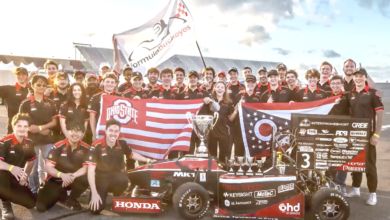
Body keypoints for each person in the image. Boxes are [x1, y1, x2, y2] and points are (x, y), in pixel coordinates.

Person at [87, 119, 154, 214]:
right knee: (95, 210)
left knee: (123, 180)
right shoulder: (96, 146)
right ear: (105, 131)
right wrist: (94, 193)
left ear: (119, 132)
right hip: (101, 179)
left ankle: (116, 194)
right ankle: (102, 193)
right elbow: (90, 171)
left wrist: (148, 160)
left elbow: (131, 154)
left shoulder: (122, 143)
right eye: (111, 130)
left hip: (116, 176)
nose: (113, 134)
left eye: (116, 131)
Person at [345, 68, 384, 206]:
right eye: (356, 76)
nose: (358, 79)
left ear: (365, 78)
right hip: (354, 134)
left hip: (368, 135)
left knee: (369, 165)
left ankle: (373, 193)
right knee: (355, 162)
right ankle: (355, 189)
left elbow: (380, 114)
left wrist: (376, 134)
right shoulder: (351, 93)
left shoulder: (373, 93)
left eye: (361, 76)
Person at [36, 120, 89, 212]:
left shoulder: (86, 148)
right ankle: (61, 194)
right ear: (67, 131)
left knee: (89, 175)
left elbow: (85, 168)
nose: (75, 134)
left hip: (74, 178)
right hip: (57, 179)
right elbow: (48, 167)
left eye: (79, 131)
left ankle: (71, 198)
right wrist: (63, 175)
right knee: (41, 207)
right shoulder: (58, 146)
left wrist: (72, 176)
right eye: (73, 130)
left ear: (83, 134)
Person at [19, 75, 57, 196]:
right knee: (33, 167)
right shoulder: (25, 103)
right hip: (31, 140)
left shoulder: (50, 102)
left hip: (47, 139)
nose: (41, 87)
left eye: (44, 85)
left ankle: (49, 188)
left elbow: (54, 122)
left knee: (50, 165)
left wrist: (41, 128)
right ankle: (33, 189)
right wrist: (41, 130)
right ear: (32, 85)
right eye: (38, 84)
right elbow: (22, 122)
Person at [0, 114, 36, 220]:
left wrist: (25, 177)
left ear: (28, 128)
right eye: (19, 126)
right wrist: (12, 168)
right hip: (3, 177)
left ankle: (8, 195)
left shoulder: (29, 143)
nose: (22, 129)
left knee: (31, 203)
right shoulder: (4, 142)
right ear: (13, 126)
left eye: (25, 126)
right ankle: (5, 205)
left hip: (16, 177)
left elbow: (30, 162)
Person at [178, 71, 219, 155]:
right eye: (190, 77)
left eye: (195, 77)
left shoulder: (205, 93)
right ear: (187, 79)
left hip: (202, 129)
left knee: (202, 155)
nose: (192, 79)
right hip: (187, 130)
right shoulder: (181, 95)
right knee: (187, 156)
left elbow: (216, 109)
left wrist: (211, 101)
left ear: (198, 79)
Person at [88, 73, 122, 142]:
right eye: (107, 81)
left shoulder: (121, 96)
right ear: (103, 82)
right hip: (101, 130)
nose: (110, 84)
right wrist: (94, 134)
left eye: (112, 82)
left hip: (116, 132)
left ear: (116, 84)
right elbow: (92, 117)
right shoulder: (95, 97)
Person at [233, 75, 261, 156]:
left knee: (253, 155)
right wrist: (238, 105)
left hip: (253, 130)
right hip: (240, 129)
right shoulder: (238, 96)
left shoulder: (259, 98)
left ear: (256, 84)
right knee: (239, 154)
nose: (250, 84)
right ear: (245, 83)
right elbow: (233, 112)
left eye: (252, 82)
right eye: (248, 82)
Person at [209, 81, 236, 161]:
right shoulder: (210, 101)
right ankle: (213, 173)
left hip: (224, 133)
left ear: (225, 90)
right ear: (214, 89)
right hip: (211, 133)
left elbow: (231, 119)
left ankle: (224, 171)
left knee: (224, 157)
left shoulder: (228, 103)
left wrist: (236, 111)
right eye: (218, 87)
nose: (220, 89)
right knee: (212, 157)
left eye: (222, 87)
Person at [0, 67, 30, 134]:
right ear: (15, 76)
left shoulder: (32, 89)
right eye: (19, 74)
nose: (21, 76)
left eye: (23, 74)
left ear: (27, 76)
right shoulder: (9, 89)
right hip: (13, 126)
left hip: (30, 127)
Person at [48, 72, 69, 142]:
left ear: (68, 81)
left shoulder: (73, 95)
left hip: (69, 131)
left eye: (65, 79)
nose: (62, 81)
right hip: (52, 132)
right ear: (55, 81)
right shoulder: (49, 94)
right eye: (59, 79)